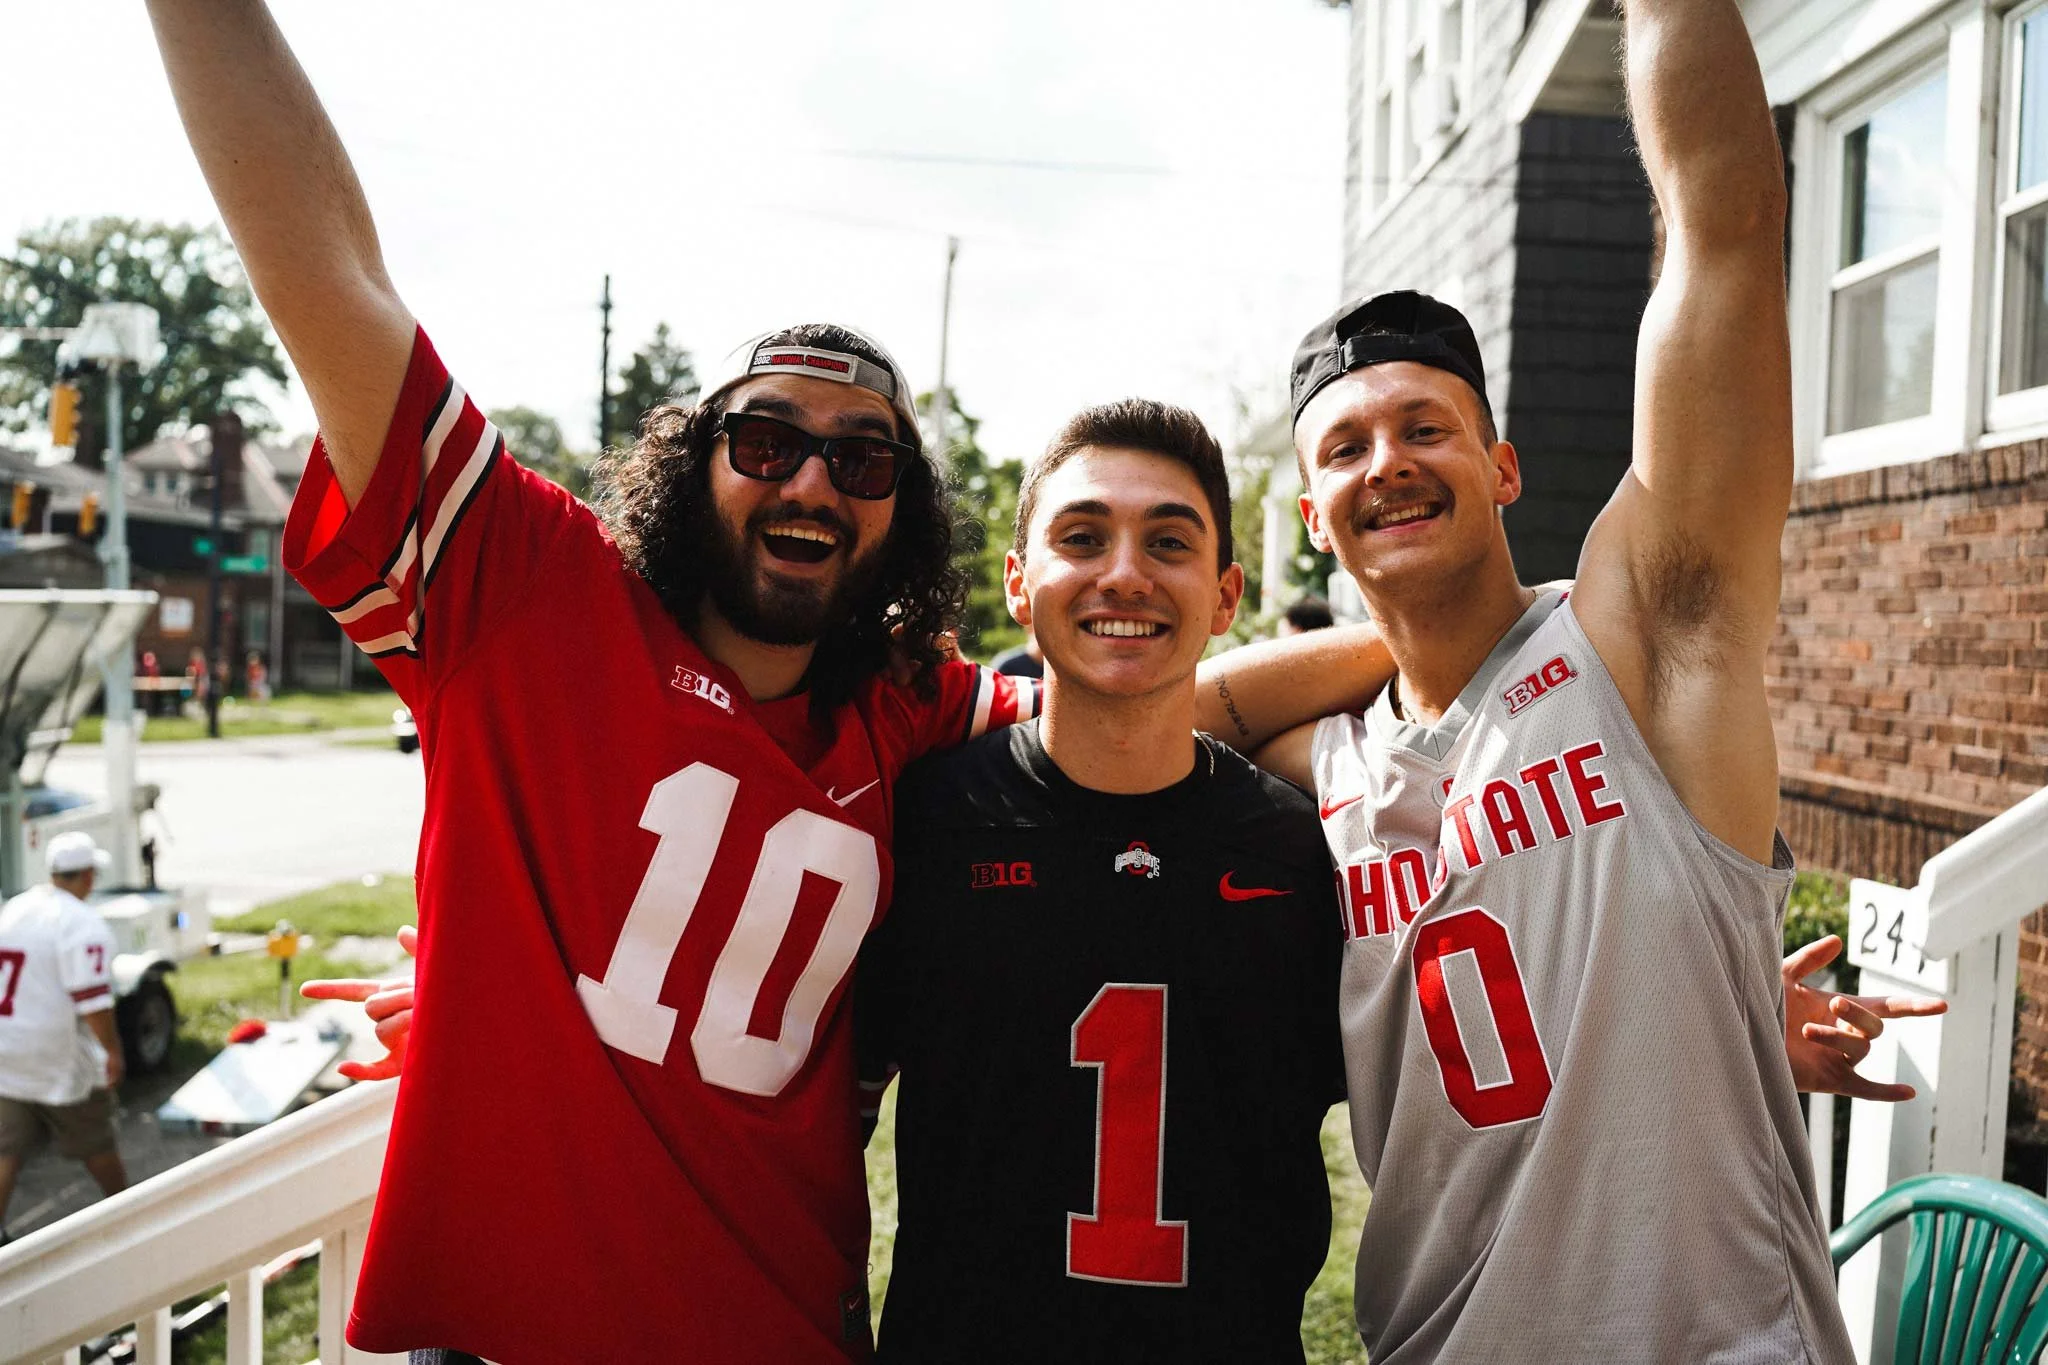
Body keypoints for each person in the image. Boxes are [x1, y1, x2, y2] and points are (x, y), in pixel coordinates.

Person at [142, 4, 1380, 1358]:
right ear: (697, 458)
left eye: (863, 459)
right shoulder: (528, 595)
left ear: (897, 520)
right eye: (768, 437)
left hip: (782, 1330)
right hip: (513, 1331)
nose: (810, 476)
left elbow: (1147, 708)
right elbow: (327, 273)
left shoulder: (907, 713)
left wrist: (1472, 643)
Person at [1251, 1, 1944, 1357]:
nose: (1385, 460)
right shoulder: (1324, 762)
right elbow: (1161, 708)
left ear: (1504, 469)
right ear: (1312, 514)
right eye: (1343, 449)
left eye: (1425, 429)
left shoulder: (1636, 648)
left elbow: (1724, 227)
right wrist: (1390, 647)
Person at [857, 401, 1343, 1363]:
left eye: (1169, 540)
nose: (1125, 573)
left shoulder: (1300, 849)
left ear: (1225, 594)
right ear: (1018, 585)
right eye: (1083, 537)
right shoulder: (922, 821)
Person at [0, 832, 126, 1245]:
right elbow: (92, 999)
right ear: (88, 875)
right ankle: (130, 1221)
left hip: (6, 1048)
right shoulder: (81, 921)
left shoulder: (16, 908)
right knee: (95, 1141)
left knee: (6, 1151)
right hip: (54, 1051)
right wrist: (111, 1049)